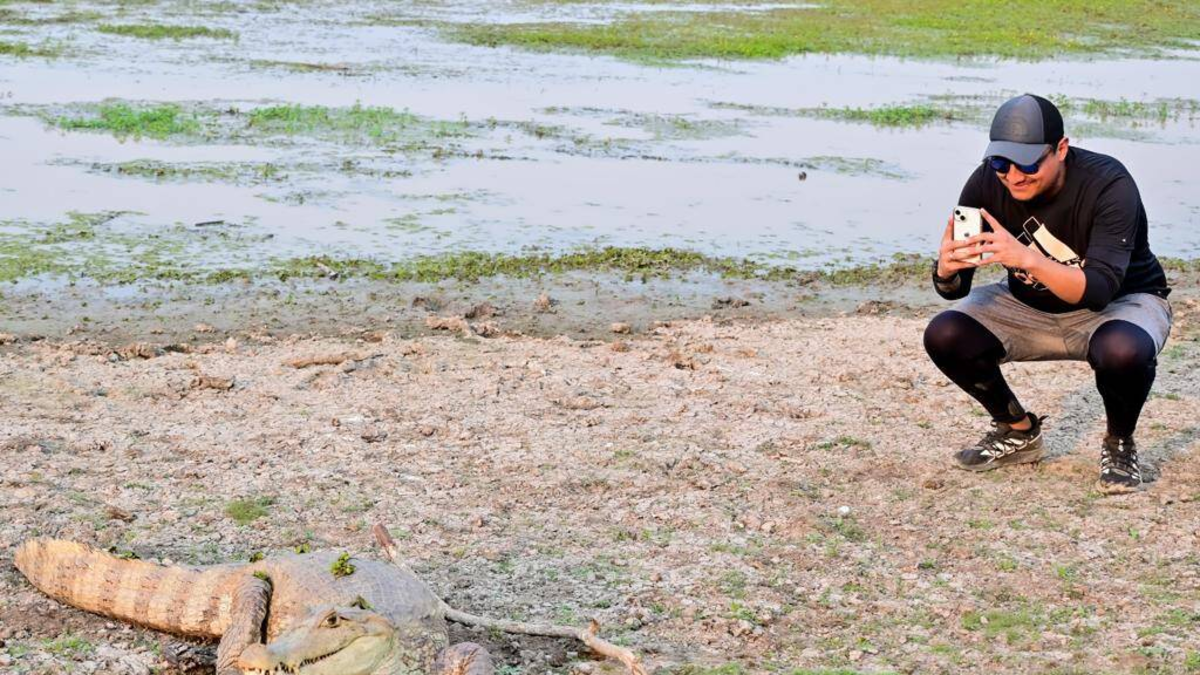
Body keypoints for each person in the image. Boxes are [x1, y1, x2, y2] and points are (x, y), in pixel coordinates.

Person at [924, 93, 1172, 494]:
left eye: (1027, 164)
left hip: (1119, 305)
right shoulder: (985, 182)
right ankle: (1017, 430)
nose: (1013, 176)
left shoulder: (1109, 184)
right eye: (1001, 163)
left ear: (1061, 149)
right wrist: (946, 270)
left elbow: (1098, 291)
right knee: (945, 334)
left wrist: (1027, 258)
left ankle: (1120, 444)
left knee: (1123, 351)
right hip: (1028, 306)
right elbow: (955, 289)